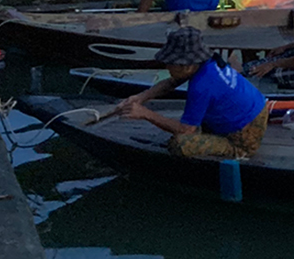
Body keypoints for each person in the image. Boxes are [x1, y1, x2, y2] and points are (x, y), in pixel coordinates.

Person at [114, 26, 269, 160]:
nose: (167, 67)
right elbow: (172, 82)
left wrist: (146, 114)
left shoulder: (201, 86)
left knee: (179, 144)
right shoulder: (208, 63)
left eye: (170, 64)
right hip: (256, 110)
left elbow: (186, 130)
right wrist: (140, 97)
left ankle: (236, 150)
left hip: (244, 135)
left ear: (187, 66)